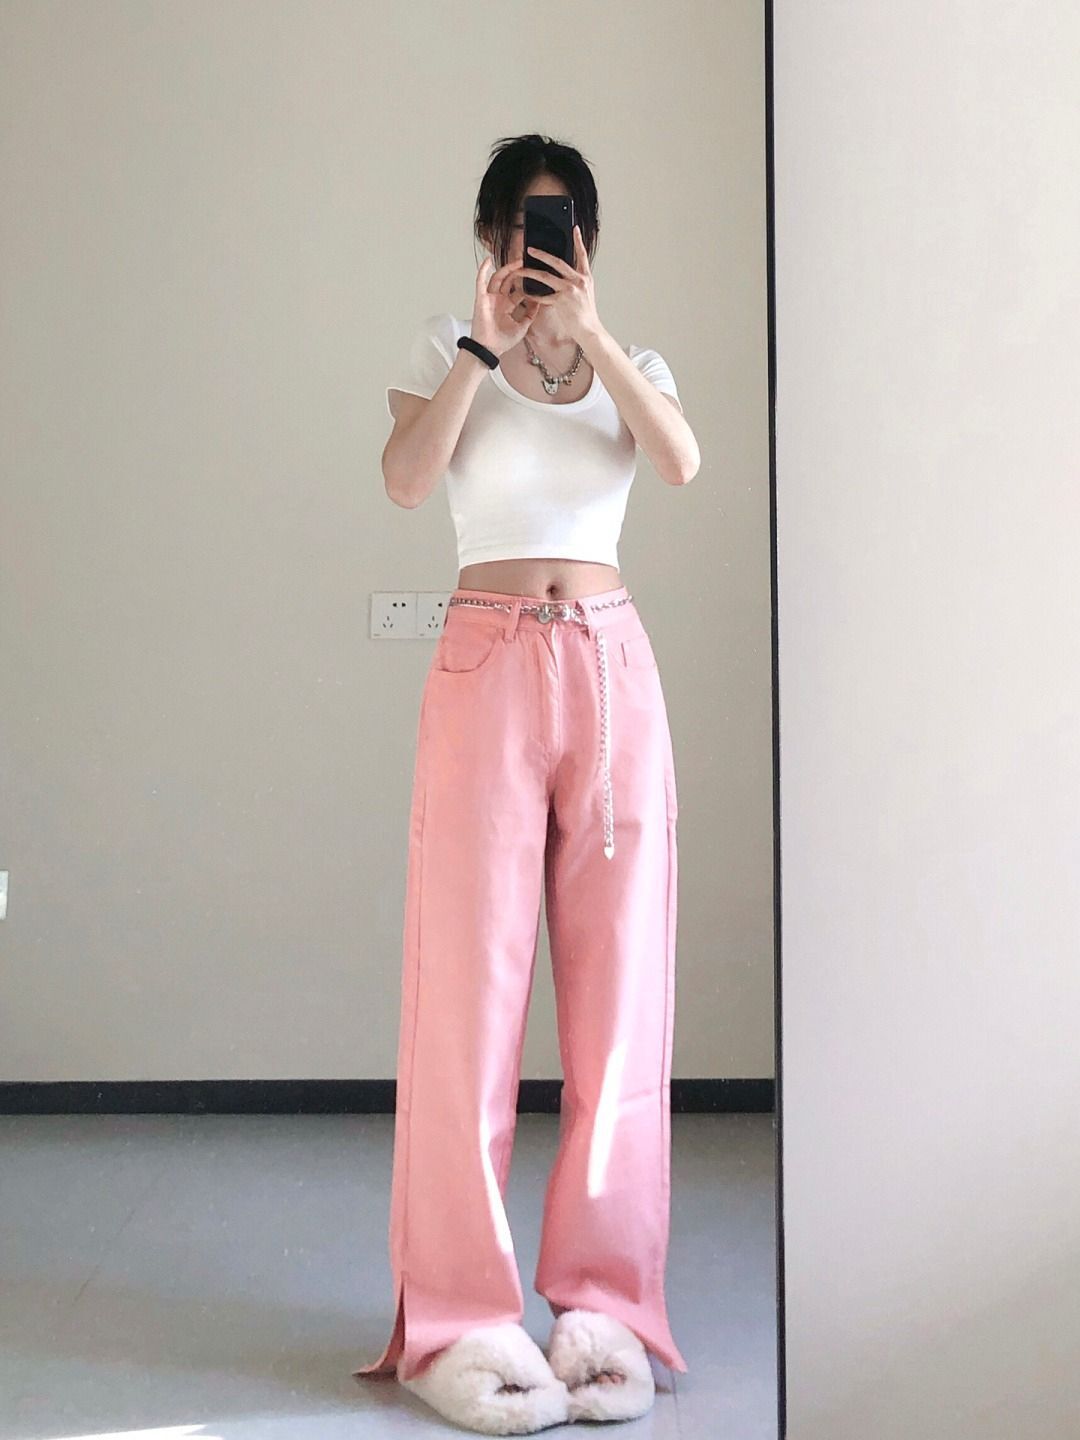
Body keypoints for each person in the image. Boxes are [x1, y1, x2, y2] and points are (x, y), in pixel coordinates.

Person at [353, 133, 700, 1435]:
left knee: (621, 1011)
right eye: (512, 228)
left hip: (610, 674)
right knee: (465, 1005)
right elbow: (404, 484)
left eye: (552, 230)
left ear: (585, 243)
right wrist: (481, 350)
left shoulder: (632, 361)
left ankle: (605, 1308)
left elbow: (681, 462)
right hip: (488, 666)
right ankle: (459, 1316)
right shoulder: (448, 350)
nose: (530, 250)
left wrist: (592, 336)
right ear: (488, 237)